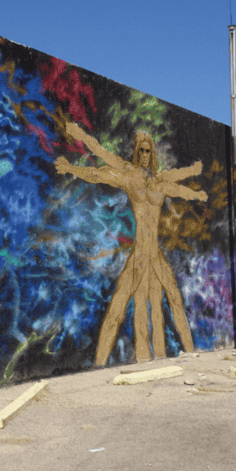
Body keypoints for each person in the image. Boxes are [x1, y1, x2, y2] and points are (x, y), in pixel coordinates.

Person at [55, 123, 206, 363]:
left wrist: (196, 189)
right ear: (136, 152)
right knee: (118, 307)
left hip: (154, 253)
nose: (145, 155)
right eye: (141, 150)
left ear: (152, 153)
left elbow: (177, 184)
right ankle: (99, 363)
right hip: (139, 255)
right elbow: (99, 164)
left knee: (175, 299)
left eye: (149, 150)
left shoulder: (159, 181)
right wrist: (72, 166)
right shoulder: (129, 175)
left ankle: (191, 350)